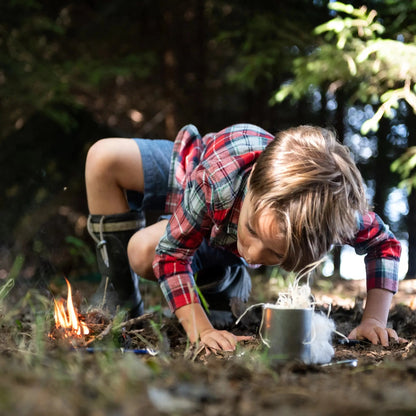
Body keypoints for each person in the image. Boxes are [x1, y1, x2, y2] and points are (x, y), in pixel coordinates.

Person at [85, 123, 403, 352]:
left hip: (216, 234)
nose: (252, 254)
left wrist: (374, 319)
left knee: (143, 251)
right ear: (253, 182)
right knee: (103, 157)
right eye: (252, 231)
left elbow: (384, 245)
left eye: (274, 255)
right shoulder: (217, 182)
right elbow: (172, 256)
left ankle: (221, 282)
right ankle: (120, 297)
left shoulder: (334, 215)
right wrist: (200, 330)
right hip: (193, 174)